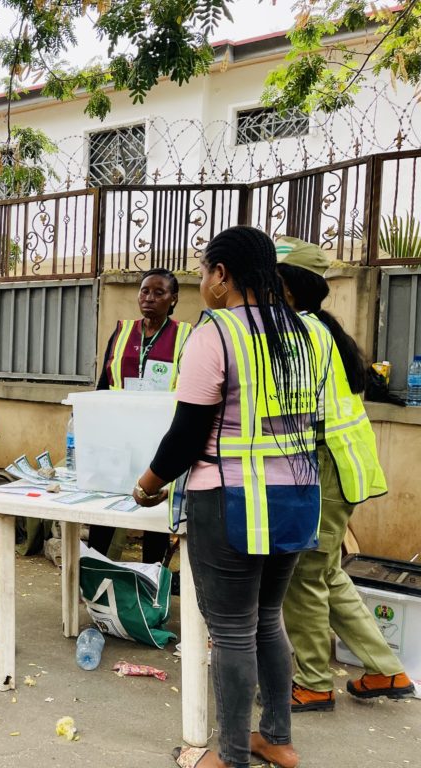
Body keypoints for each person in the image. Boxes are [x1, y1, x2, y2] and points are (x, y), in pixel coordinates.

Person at [132, 226, 329, 768]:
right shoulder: (305, 334)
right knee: (268, 620)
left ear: (222, 276)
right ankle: (277, 739)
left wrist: (148, 484)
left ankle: (233, 756)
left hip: (231, 503)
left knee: (233, 632)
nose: (200, 281)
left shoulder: (215, 335)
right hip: (295, 499)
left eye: (203, 271)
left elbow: (186, 435)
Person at [276, 239, 414, 710]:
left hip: (324, 469)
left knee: (304, 578)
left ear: (288, 286)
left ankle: (313, 682)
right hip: (340, 468)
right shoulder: (324, 329)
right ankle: (386, 671)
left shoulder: (300, 332)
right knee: (327, 572)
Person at [89, 268, 192, 565]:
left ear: (173, 299)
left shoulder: (185, 335)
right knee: (106, 508)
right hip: (118, 438)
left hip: (158, 439)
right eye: (145, 291)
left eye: (159, 293)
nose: (149, 298)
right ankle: (95, 572)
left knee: (154, 511)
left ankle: (151, 578)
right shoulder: (122, 331)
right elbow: (104, 383)